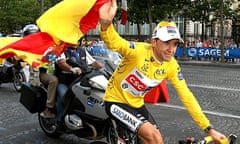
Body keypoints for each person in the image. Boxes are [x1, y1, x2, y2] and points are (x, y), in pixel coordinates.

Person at [98, 1, 226, 144]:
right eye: (166, 42)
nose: (171, 49)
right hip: (115, 101)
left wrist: (209, 129)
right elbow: (115, 43)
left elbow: (187, 96)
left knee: (157, 140)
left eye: (175, 44)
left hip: (136, 105)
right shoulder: (138, 51)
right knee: (155, 138)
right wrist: (106, 24)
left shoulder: (171, 65)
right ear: (154, 41)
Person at [55, 38, 103, 124]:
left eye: (77, 40)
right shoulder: (62, 50)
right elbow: (61, 63)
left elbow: (93, 63)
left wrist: (104, 67)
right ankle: (59, 120)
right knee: (64, 97)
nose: (75, 42)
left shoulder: (82, 51)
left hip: (80, 80)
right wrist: (71, 69)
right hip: (65, 81)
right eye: (73, 40)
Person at [22, 24, 58, 118]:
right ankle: (48, 108)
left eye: (35, 35)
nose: (33, 37)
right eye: (31, 35)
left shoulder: (45, 44)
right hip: (40, 73)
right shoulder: (26, 47)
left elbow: (52, 55)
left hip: (53, 69)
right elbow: (18, 58)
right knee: (53, 80)